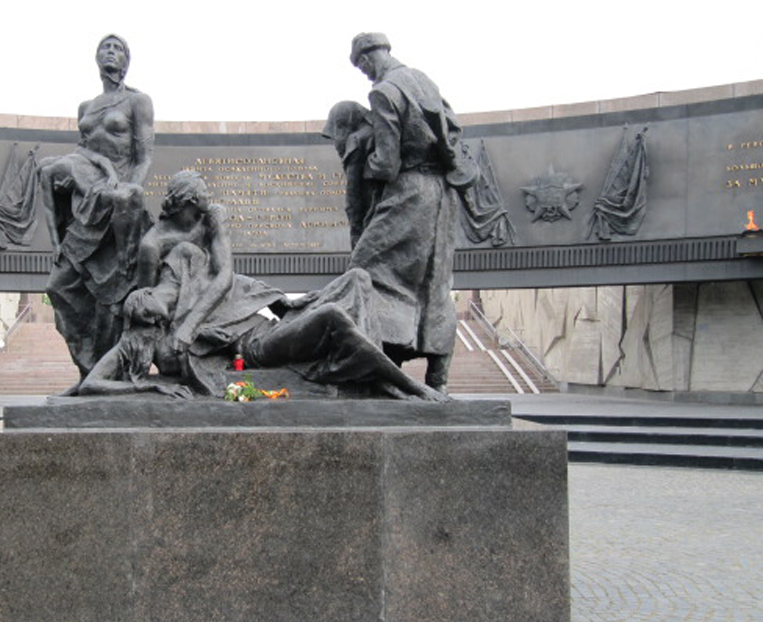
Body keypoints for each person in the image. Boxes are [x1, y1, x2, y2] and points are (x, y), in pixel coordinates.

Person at [78, 171, 446, 402]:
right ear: (144, 320)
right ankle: (406, 386)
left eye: (148, 293)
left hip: (264, 320)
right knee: (333, 316)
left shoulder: (181, 261)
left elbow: (224, 277)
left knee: (359, 279)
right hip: (251, 346)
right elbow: (92, 384)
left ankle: (370, 376)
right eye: (144, 303)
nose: (147, 296)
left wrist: (187, 327)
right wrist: (151, 384)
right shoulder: (146, 337)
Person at [347, 33, 476, 394]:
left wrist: (362, 166)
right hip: (442, 195)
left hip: (409, 192)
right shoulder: (422, 79)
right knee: (434, 282)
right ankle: (437, 378)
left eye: (363, 67)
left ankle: (379, 371)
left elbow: (387, 164)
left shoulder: (384, 91)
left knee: (364, 272)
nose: (366, 74)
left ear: (369, 58)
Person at [39, 34, 155, 393]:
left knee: (114, 297)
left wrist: (126, 190)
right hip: (87, 200)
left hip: (119, 202)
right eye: (105, 47)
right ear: (96, 58)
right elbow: (83, 150)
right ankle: (85, 372)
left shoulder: (138, 101)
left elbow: (143, 155)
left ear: (127, 60)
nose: (111, 52)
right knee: (59, 287)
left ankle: (101, 378)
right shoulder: (86, 106)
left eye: (118, 48)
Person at [322, 101, 376, 249]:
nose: (335, 142)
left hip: (371, 211)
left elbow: (353, 198)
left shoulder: (356, 141)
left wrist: (356, 235)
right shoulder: (378, 131)